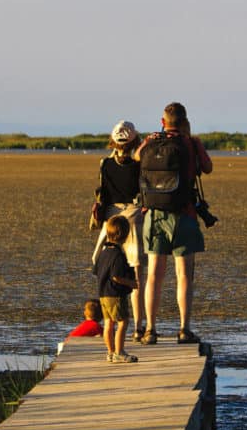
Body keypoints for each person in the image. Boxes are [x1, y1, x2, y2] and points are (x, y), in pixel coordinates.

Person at [135, 102, 213, 345]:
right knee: (184, 276)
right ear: (185, 121)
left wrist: (151, 140)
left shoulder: (151, 141)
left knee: (153, 276)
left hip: (154, 214)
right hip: (184, 215)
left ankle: (150, 330)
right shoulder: (191, 144)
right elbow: (207, 168)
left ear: (163, 121)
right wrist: (192, 140)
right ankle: (183, 329)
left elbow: (137, 157)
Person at [91, 120, 147, 341]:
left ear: (113, 140)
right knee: (135, 274)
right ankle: (138, 326)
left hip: (111, 219)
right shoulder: (139, 165)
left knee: (107, 268)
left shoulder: (105, 164)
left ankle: (111, 325)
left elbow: (102, 194)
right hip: (133, 216)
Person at [93, 216, 139, 363]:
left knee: (108, 323)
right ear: (124, 236)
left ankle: (110, 352)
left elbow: (96, 271)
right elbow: (116, 277)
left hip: (103, 294)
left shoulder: (104, 252)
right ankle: (119, 352)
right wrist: (131, 283)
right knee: (123, 322)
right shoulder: (117, 255)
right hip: (115, 295)